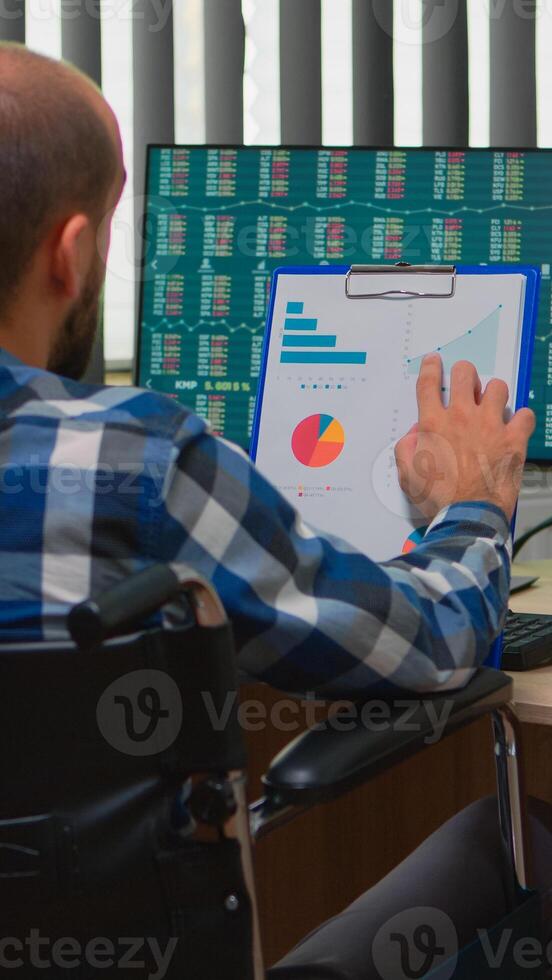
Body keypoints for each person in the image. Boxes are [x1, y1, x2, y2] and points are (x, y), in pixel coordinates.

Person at [1, 42, 551, 979]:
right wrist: (468, 512)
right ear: (74, 251)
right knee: (531, 842)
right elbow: (420, 645)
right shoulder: (131, 463)